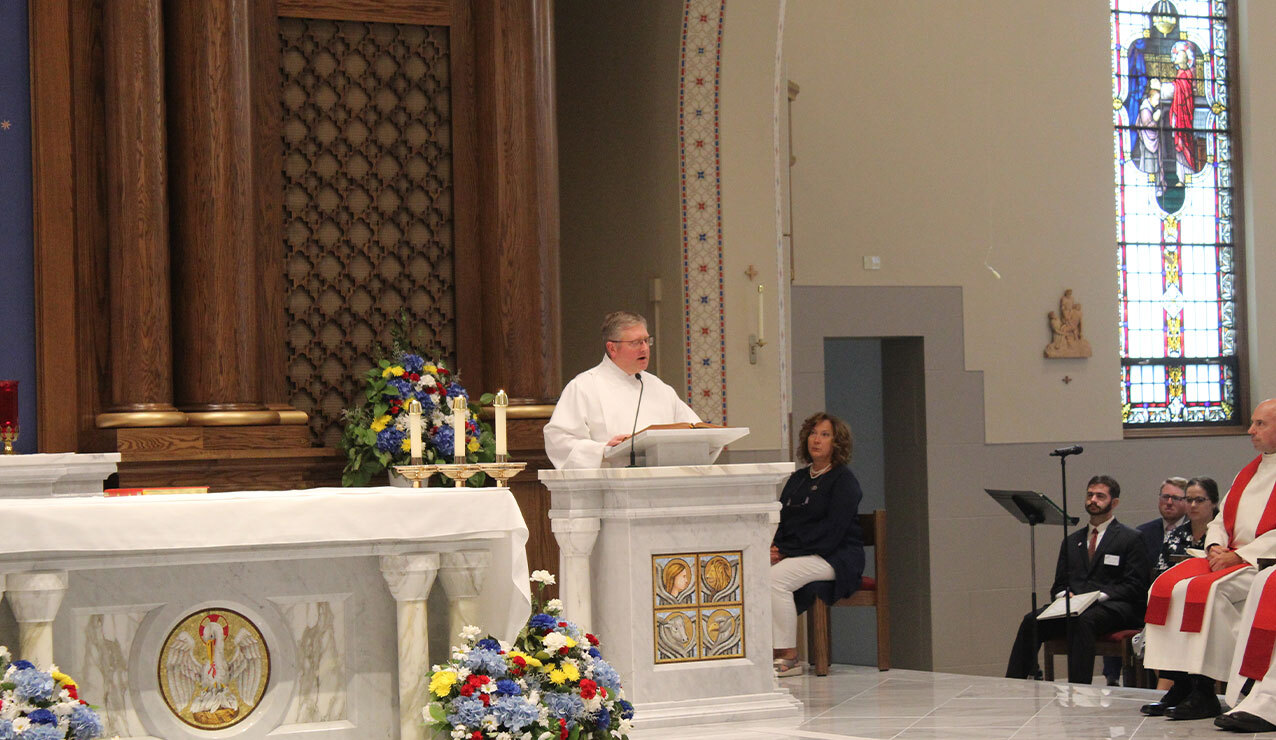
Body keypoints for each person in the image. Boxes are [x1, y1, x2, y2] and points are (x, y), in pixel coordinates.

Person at [1142, 399, 1276, 721]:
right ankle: (1182, 683)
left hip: (1259, 562)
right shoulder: (1250, 472)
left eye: (1260, 424)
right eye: (1253, 422)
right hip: (1228, 557)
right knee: (1167, 586)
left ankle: (1209, 689)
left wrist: (1239, 555)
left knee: (1209, 595)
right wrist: (1215, 545)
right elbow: (1219, 520)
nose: (1251, 430)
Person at [1005, 475, 1149, 684]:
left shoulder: (1130, 538)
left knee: (1083, 622)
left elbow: (1136, 585)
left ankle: (1078, 687)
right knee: (1032, 621)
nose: (1093, 500)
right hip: (1075, 606)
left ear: (1114, 502)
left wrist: (1098, 596)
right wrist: (1065, 594)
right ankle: (1013, 683)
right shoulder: (1072, 541)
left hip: (1114, 607)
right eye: (1090, 495)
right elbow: (1059, 584)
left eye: (1100, 496)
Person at [770, 412, 864, 677]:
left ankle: (787, 654)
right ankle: (761, 649)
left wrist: (787, 553)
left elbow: (832, 532)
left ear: (837, 443)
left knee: (775, 578)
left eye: (825, 435)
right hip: (802, 554)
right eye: (813, 433)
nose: (817, 440)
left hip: (837, 556)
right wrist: (774, 547)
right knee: (757, 571)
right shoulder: (799, 479)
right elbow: (782, 520)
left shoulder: (844, 480)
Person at [543, 311, 700, 469]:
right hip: (607, 489)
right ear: (612, 348)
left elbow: (695, 431)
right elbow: (558, 440)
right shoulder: (583, 387)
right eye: (636, 342)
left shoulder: (660, 388)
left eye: (646, 340)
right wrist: (602, 450)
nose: (644, 348)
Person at [1138, 478, 1189, 567]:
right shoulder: (1143, 533)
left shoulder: (1195, 532)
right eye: (1165, 497)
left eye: (1175, 498)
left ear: (1187, 501)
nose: (1169, 502)